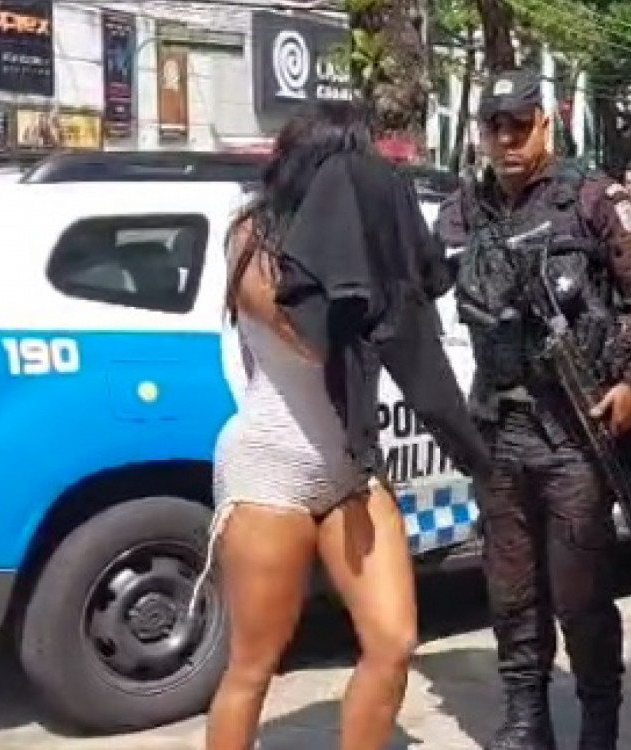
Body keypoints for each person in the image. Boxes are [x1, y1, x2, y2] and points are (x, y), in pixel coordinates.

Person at [200, 101, 492, 750]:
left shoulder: (367, 237)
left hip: (352, 467)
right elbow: (313, 338)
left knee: (394, 642)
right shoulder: (252, 237)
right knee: (254, 666)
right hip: (271, 470)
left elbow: (417, 306)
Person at [435, 68, 631, 750]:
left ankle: (598, 723)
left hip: (574, 429)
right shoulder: (464, 209)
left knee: (580, 593)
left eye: (520, 124)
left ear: (545, 124)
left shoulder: (593, 198)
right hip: (498, 428)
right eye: (495, 127)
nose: (507, 139)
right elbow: (419, 277)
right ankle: (526, 720)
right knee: (511, 590)